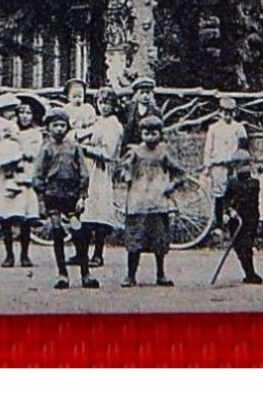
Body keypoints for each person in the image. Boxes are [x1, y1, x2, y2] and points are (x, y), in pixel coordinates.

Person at [116, 114, 190, 288]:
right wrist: (125, 174)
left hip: (158, 204)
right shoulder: (134, 152)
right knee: (135, 242)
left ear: (160, 134)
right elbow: (122, 167)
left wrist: (172, 185)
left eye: (154, 133)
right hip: (137, 204)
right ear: (141, 133)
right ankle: (130, 275)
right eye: (146, 133)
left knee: (159, 242)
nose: (150, 137)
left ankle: (161, 274)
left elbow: (181, 172)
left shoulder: (163, 153)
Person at [32, 108, 98, 290]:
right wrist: (41, 198)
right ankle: (62, 274)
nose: (59, 129)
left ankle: (86, 274)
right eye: (55, 125)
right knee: (57, 232)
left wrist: (82, 197)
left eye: (62, 125)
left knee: (78, 231)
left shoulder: (74, 147)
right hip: (53, 195)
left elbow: (84, 173)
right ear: (49, 127)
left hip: (71, 195)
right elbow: (37, 175)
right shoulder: (45, 148)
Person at [0, 92, 39, 267]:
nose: (23, 116)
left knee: (24, 218)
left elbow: (34, 153)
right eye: (20, 112)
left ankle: (24, 254)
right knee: (5, 217)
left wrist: (20, 151)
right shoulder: (4, 129)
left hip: (24, 175)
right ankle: (9, 254)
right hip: (6, 175)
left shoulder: (35, 134)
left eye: (27, 113)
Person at [79, 89, 125, 267]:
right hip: (90, 169)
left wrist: (86, 149)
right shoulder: (99, 122)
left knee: (99, 211)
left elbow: (108, 153)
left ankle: (98, 253)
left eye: (108, 103)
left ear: (113, 106)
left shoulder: (114, 125)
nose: (104, 107)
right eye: (101, 103)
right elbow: (86, 133)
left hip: (102, 170)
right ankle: (81, 253)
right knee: (85, 210)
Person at [202, 93, 249, 232]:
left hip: (234, 166)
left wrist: (244, 164)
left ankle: (234, 222)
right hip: (218, 165)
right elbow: (208, 148)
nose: (228, 116)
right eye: (225, 113)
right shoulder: (214, 128)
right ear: (220, 112)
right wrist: (207, 165)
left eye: (230, 113)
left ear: (235, 112)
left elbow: (244, 148)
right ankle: (219, 223)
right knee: (219, 194)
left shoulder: (239, 128)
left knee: (234, 192)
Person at [221, 149, 263, 284]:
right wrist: (230, 210)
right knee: (239, 247)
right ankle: (248, 272)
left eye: (246, 167)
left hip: (249, 220)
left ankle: (250, 273)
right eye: (241, 168)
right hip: (236, 220)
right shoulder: (233, 183)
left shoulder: (254, 184)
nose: (243, 171)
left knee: (245, 246)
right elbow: (225, 200)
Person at [122, 76, 161, 149]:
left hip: (148, 145)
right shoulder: (129, 108)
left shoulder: (156, 111)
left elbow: (159, 132)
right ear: (136, 94)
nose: (145, 96)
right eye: (142, 93)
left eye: (148, 92)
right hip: (130, 145)